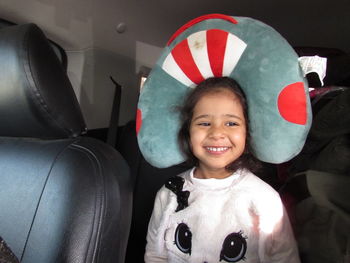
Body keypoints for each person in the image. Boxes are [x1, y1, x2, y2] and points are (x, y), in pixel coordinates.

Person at [144, 77, 300, 263]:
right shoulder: (169, 193)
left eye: (231, 123)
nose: (217, 133)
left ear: (247, 132)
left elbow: (283, 258)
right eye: (204, 123)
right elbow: (155, 254)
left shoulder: (265, 200)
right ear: (188, 132)